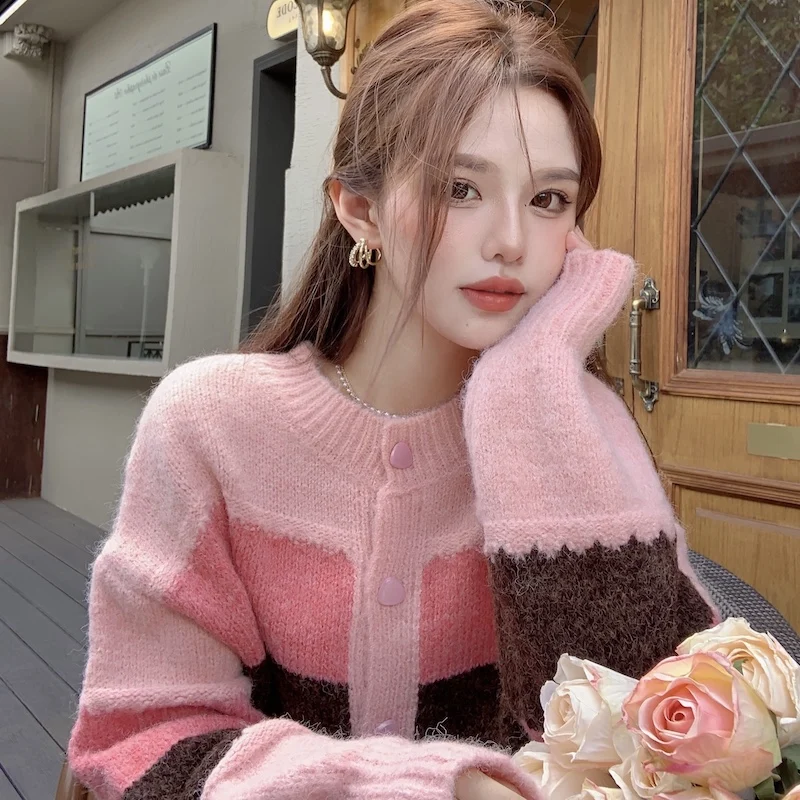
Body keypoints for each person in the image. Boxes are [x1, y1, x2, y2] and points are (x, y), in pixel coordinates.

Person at [68, 0, 719, 797]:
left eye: (549, 200)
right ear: (360, 209)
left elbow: (652, 736)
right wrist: (445, 787)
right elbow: (143, 733)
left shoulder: (585, 428)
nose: (511, 240)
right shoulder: (211, 424)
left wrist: (533, 394)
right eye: (460, 187)